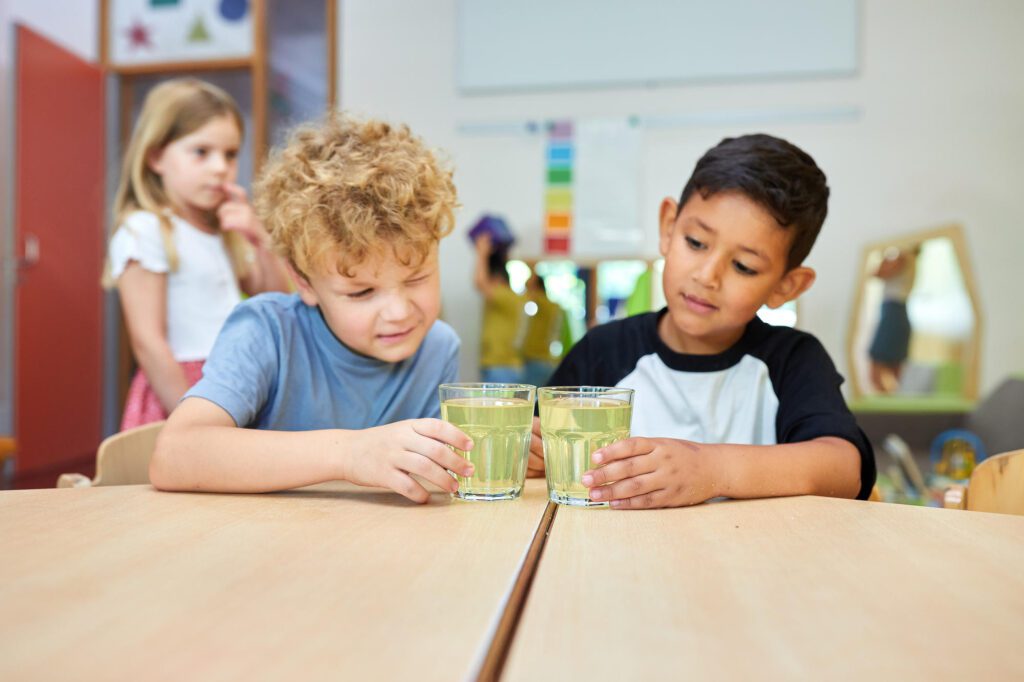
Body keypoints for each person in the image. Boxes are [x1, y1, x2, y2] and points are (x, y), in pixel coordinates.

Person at [530, 133, 876, 508]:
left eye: (744, 266)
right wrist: (532, 454)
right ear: (668, 228)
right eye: (695, 242)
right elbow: (540, 446)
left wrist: (711, 469)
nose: (707, 276)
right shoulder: (603, 351)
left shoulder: (791, 359)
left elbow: (844, 467)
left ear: (786, 286)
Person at [149, 115, 474, 503]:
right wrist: (350, 454)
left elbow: (423, 481)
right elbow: (174, 454)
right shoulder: (266, 332)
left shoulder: (437, 348)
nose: (399, 312)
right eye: (361, 292)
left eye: (417, 278)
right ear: (303, 282)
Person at [105, 79, 291, 430]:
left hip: (233, 377)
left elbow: (277, 301)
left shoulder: (222, 232)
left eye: (231, 154)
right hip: (183, 390)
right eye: (201, 152)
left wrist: (259, 239)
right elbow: (149, 343)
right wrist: (193, 424)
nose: (220, 167)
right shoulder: (145, 229)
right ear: (156, 157)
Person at [473, 233, 525, 383]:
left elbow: (479, 282)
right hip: (498, 365)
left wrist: (481, 253)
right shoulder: (508, 296)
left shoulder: (506, 295)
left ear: (497, 278)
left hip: (502, 367)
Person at [867, 246, 918, 393]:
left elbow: (877, 273)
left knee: (877, 364)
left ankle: (888, 405)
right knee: (893, 366)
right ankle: (893, 401)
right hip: (896, 312)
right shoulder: (909, 259)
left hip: (894, 312)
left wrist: (884, 253)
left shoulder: (903, 257)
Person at [520, 272, 563, 387]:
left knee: (532, 400)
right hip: (543, 360)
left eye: (528, 288)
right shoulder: (547, 306)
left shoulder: (543, 303)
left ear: (536, 287)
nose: (526, 292)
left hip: (537, 360)